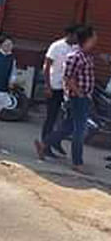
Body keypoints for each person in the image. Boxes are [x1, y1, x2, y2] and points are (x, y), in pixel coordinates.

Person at [37, 26, 98, 175]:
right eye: (94, 37)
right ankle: (77, 162)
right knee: (79, 130)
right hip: (77, 98)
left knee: (68, 127)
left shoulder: (85, 55)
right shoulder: (75, 56)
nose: (96, 40)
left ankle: (44, 144)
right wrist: (79, 93)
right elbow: (68, 78)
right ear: (87, 39)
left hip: (83, 97)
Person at [41, 24, 80, 157]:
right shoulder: (56, 46)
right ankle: (45, 145)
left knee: (65, 119)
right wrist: (47, 85)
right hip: (55, 86)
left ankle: (55, 141)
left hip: (67, 89)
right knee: (51, 117)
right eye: (76, 35)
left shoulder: (76, 48)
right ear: (70, 34)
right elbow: (46, 66)